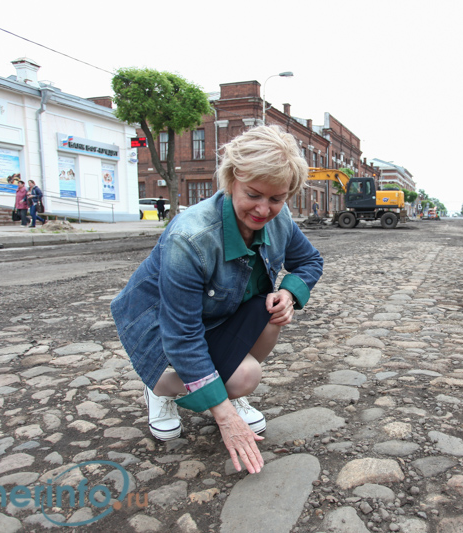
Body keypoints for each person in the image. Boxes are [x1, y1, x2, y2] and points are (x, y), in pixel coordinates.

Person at [111, 126, 323, 474]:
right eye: (253, 194)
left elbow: (310, 260)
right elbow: (181, 335)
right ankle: (158, 388)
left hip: (217, 319)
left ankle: (221, 390)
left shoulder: (278, 217)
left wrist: (288, 292)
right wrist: (223, 415)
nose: (264, 209)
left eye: (276, 198)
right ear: (231, 179)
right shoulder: (190, 237)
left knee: (266, 317)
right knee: (243, 377)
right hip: (161, 334)